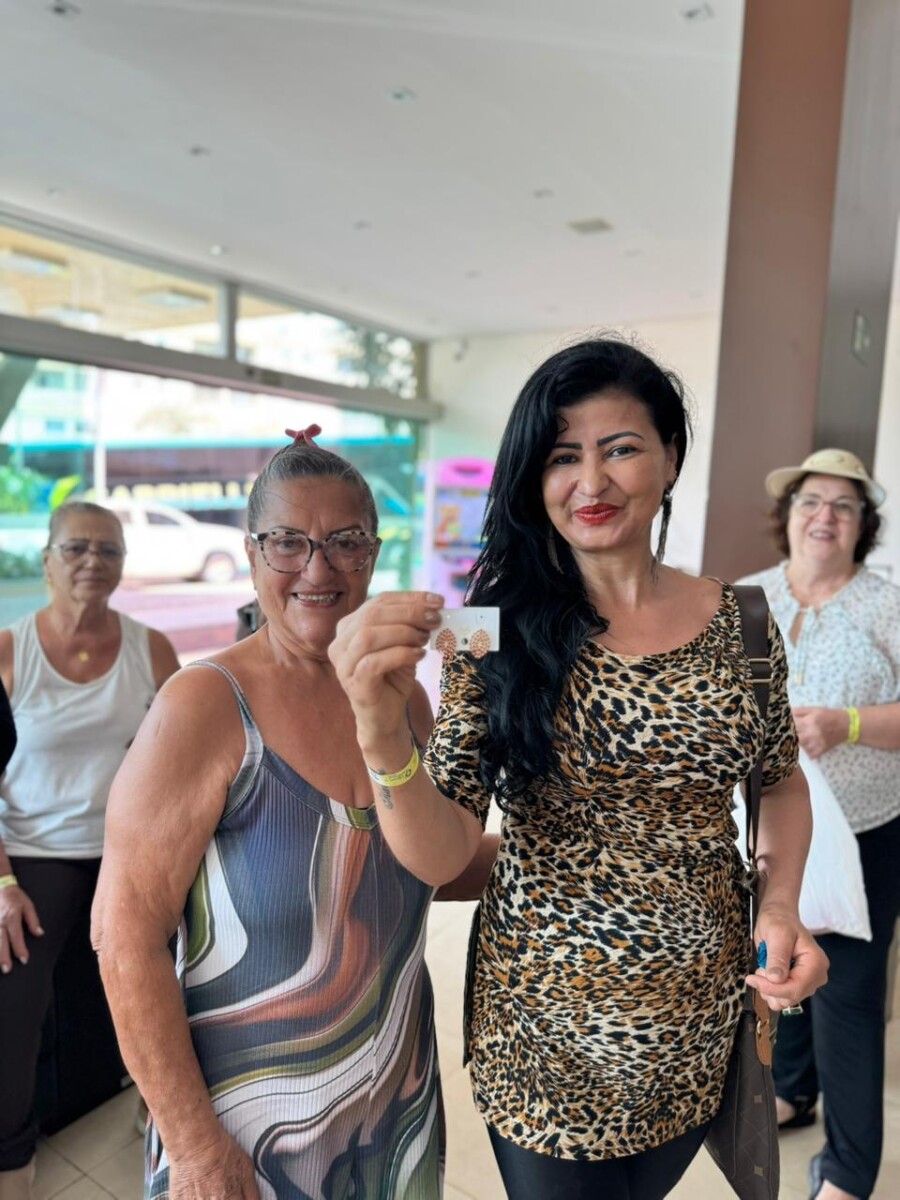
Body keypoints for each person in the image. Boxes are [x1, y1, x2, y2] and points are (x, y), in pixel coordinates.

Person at [330, 338, 829, 1199]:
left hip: (698, 1022)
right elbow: (442, 853)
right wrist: (381, 737)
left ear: (670, 459)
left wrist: (780, 906)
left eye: (620, 448)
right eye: (563, 457)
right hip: (545, 1039)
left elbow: (779, 778)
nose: (590, 482)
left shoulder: (742, 621)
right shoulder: (489, 627)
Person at [92, 428, 470, 1200]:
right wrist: (195, 1146)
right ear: (253, 552)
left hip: (396, 1106)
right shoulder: (205, 706)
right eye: (287, 542)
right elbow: (124, 936)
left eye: (345, 542)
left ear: (373, 553)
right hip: (245, 1128)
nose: (318, 569)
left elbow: (410, 868)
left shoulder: (404, 702)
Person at [0, 500, 180, 1200]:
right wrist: (2, 884)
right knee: (12, 990)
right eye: (76, 548)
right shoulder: (10, 652)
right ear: (47, 560)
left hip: (125, 850)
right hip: (30, 850)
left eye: (109, 550)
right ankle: (11, 1160)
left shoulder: (150, 649)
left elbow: (180, 758)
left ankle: (158, 1105)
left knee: (180, 965)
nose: (92, 562)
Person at [738, 448, 900, 1200]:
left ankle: (848, 1172)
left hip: (866, 830)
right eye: (811, 501)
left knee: (850, 999)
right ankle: (794, 1089)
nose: (824, 516)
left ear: (863, 523)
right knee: (779, 963)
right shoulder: (747, 598)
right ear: (789, 514)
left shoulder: (888, 605)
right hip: (767, 826)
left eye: (843, 504)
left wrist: (848, 724)